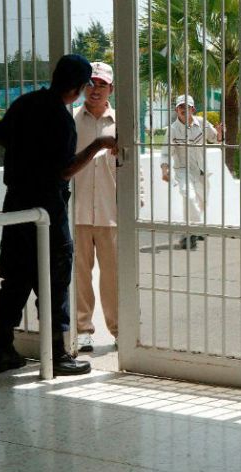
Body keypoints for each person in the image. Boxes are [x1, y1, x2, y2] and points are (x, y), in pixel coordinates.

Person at [0, 54, 118, 375]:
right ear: (77, 88)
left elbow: (0, 137)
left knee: (15, 279)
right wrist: (98, 145)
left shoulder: (25, 103)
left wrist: (25, 157)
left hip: (17, 205)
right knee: (56, 281)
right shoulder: (62, 120)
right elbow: (64, 171)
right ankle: (58, 355)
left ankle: (3, 348)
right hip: (48, 208)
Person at [73, 62, 141, 352]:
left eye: (101, 84)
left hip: (111, 212)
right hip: (76, 212)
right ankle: (83, 329)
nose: (95, 89)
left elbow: (133, 164)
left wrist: (137, 199)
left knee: (113, 276)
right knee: (79, 275)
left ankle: (118, 330)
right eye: (90, 84)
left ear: (111, 88)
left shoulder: (121, 122)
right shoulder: (72, 120)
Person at [160, 95, 224, 249]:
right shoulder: (172, 130)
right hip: (183, 170)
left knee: (201, 201)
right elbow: (165, 152)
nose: (183, 109)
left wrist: (220, 133)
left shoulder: (202, 123)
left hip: (201, 170)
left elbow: (215, 139)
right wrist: (165, 170)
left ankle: (190, 232)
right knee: (189, 197)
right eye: (180, 107)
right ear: (176, 109)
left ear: (193, 109)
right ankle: (194, 230)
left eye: (186, 107)